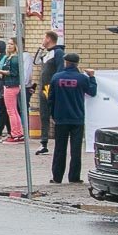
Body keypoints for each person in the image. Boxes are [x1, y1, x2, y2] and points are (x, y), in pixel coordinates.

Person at [47, 52, 97, 184]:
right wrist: (92, 77)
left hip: (61, 118)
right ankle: (74, 177)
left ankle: (57, 177)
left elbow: (51, 98)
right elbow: (92, 92)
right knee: (76, 150)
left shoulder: (56, 78)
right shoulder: (82, 78)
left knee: (59, 149)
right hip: (77, 118)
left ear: (66, 62)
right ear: (77, 63)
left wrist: (52, 115)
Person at [33, 31, 65, 156]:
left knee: (54, 114)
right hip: (43, 87)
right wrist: (40, 49)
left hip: (50, 88)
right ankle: (44, 142)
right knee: (44, 115)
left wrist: (55, 86)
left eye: (43, 37)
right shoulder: (46, 53)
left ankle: (60, 140)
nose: (42, 39)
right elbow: (36, 61)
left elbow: (60, 70)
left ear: (48, 38)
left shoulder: (58, 53)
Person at [1, 38, 25, 143]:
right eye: (8, 44)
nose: (9, 46)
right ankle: (19, 133)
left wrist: (0, 71)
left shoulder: (14, 58)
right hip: (10, 85)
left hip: (11, 86)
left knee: (11, 111)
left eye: (12, 44)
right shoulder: (9, 57)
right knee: (14, 111)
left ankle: (15, 134)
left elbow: (14, 73)